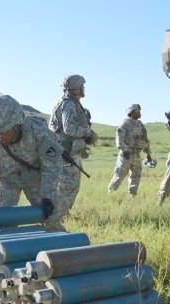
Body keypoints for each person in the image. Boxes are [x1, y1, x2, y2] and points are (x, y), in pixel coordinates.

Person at [0, 93, 64, 230]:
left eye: (4, 132)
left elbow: (52, 166)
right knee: (1, 222)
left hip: (36, 180)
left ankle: (62, 248)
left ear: (17, 124)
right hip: (6, 181)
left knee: (51, 219)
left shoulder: (38, 132)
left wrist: (48, 197)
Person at [48, 75, 96, 229]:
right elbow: (69, 128)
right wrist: (87, 133)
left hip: (67, 152)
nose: (83, 88)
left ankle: (62, 215)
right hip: (66, 154)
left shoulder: (68, 103)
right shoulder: (68, 105)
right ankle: (55, 221)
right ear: (76, 88)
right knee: (67, 188)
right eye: (82, 86)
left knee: (67, 187)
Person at [107, 104, 152, 196]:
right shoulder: (125, 123)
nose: (139, 113)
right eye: (137, 111)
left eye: (139, 111)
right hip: (126, 155)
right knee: (120, 175)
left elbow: (145, 139)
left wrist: (148, 153)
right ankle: (110, 193)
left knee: (136, 176)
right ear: (131, 112)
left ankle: (132, 195)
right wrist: (123, 150)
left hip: (137, 155)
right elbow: (119, 137)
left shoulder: (140, 125)